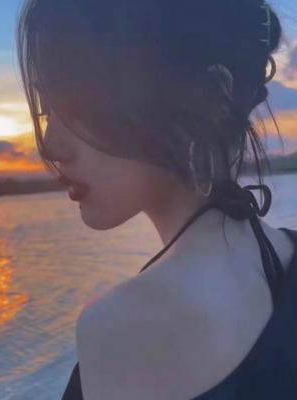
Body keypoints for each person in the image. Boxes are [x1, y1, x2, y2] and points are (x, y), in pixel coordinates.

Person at [16, 0, 297, 398]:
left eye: (80, 103)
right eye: (47, 111)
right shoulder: (285, 255)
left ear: (210, 98)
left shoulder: (122, 328)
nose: (50, 145)